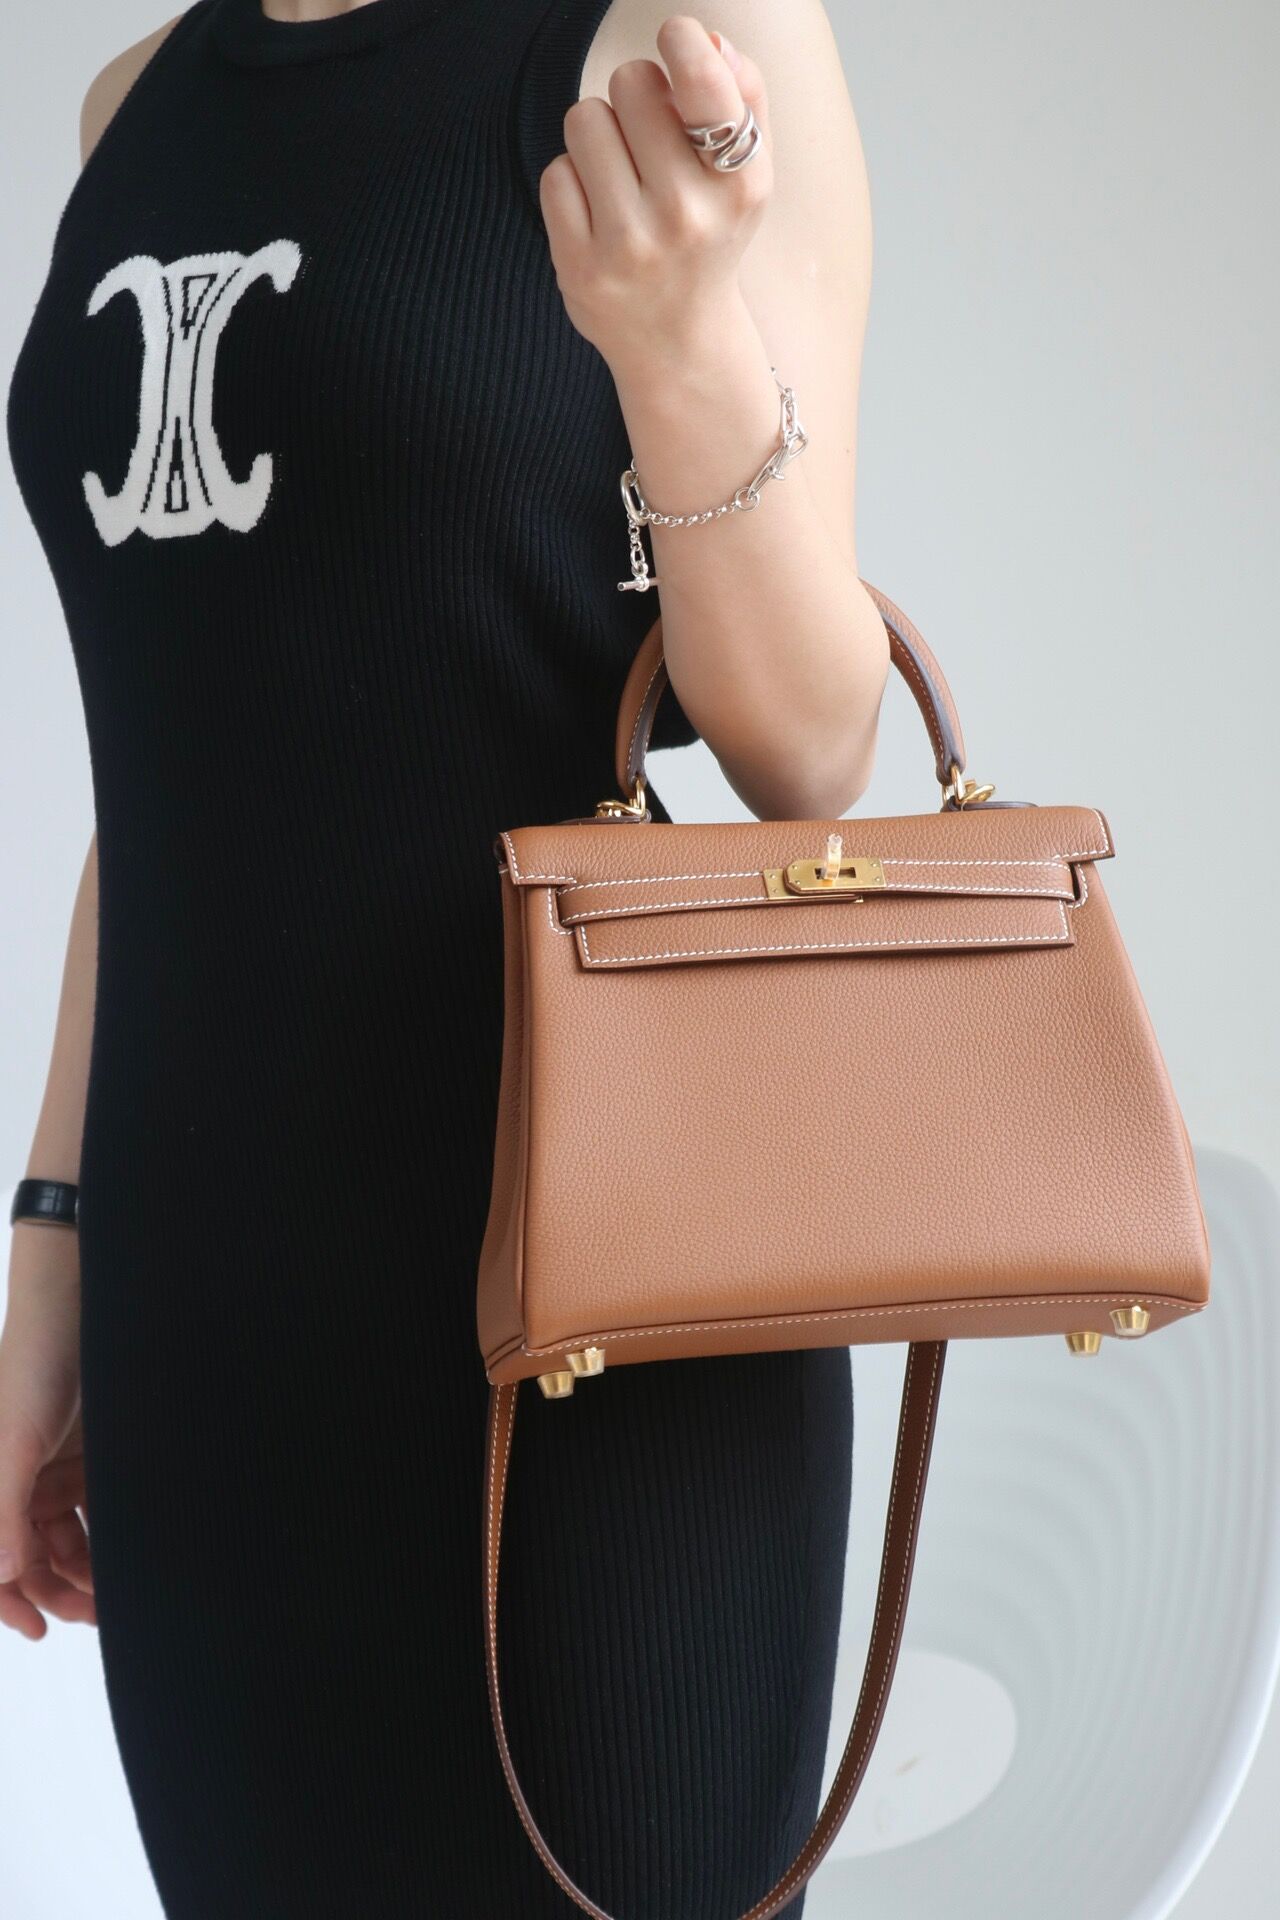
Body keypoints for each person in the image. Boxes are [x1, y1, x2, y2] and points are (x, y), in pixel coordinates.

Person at [1, 2, 891, 1913]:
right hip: (211, 1318)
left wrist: (676, 338)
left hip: (602, 1305)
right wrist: (50, 1251)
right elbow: (172, 762)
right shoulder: (134, 112)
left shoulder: (670, 35)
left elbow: (812, 750)